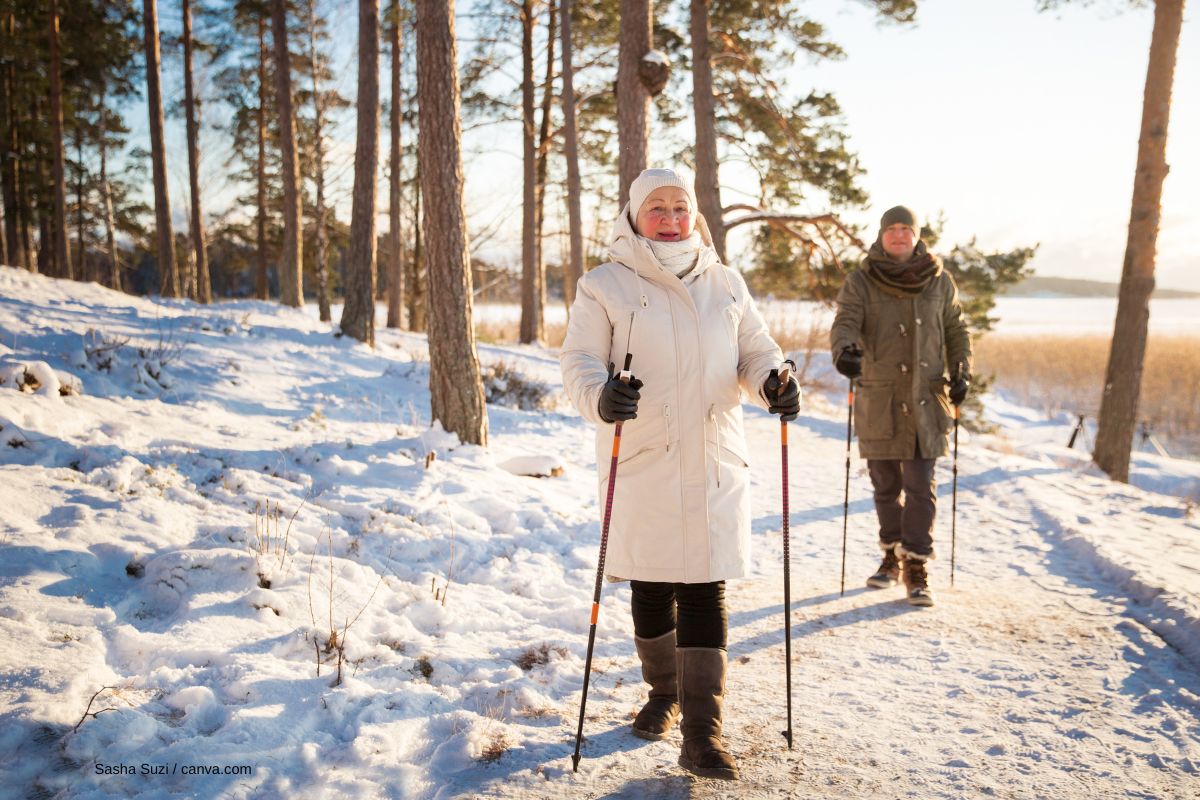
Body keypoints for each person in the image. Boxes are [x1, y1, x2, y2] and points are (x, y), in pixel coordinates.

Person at [560, 168, 799, 781]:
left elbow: (756, 351)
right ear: (635, 216)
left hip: (715, 456)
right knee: (650, 585)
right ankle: (663, 691)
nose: (670, 217)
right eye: (657, 207)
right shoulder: (604, 285)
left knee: (705, 587)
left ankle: (702, 733)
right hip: (643, 455)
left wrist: (774, 382)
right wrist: (601, 396)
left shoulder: (726, 283)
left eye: (679, 207)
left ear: (694, 215)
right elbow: (580, 362)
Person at [829, 205, 972, 607]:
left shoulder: (939, 281)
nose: (897, 235)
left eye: (904, 229)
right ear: (881, 235)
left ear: (916, 235)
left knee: (921, 487)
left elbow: (957, 329)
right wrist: (845, 352)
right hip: (881, 399)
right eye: (891, 229)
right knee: (886, 487)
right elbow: (845, 322)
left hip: (926, 400)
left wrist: (962, 370)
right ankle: (890, 555)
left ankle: (916, 564)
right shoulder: (861, 281)